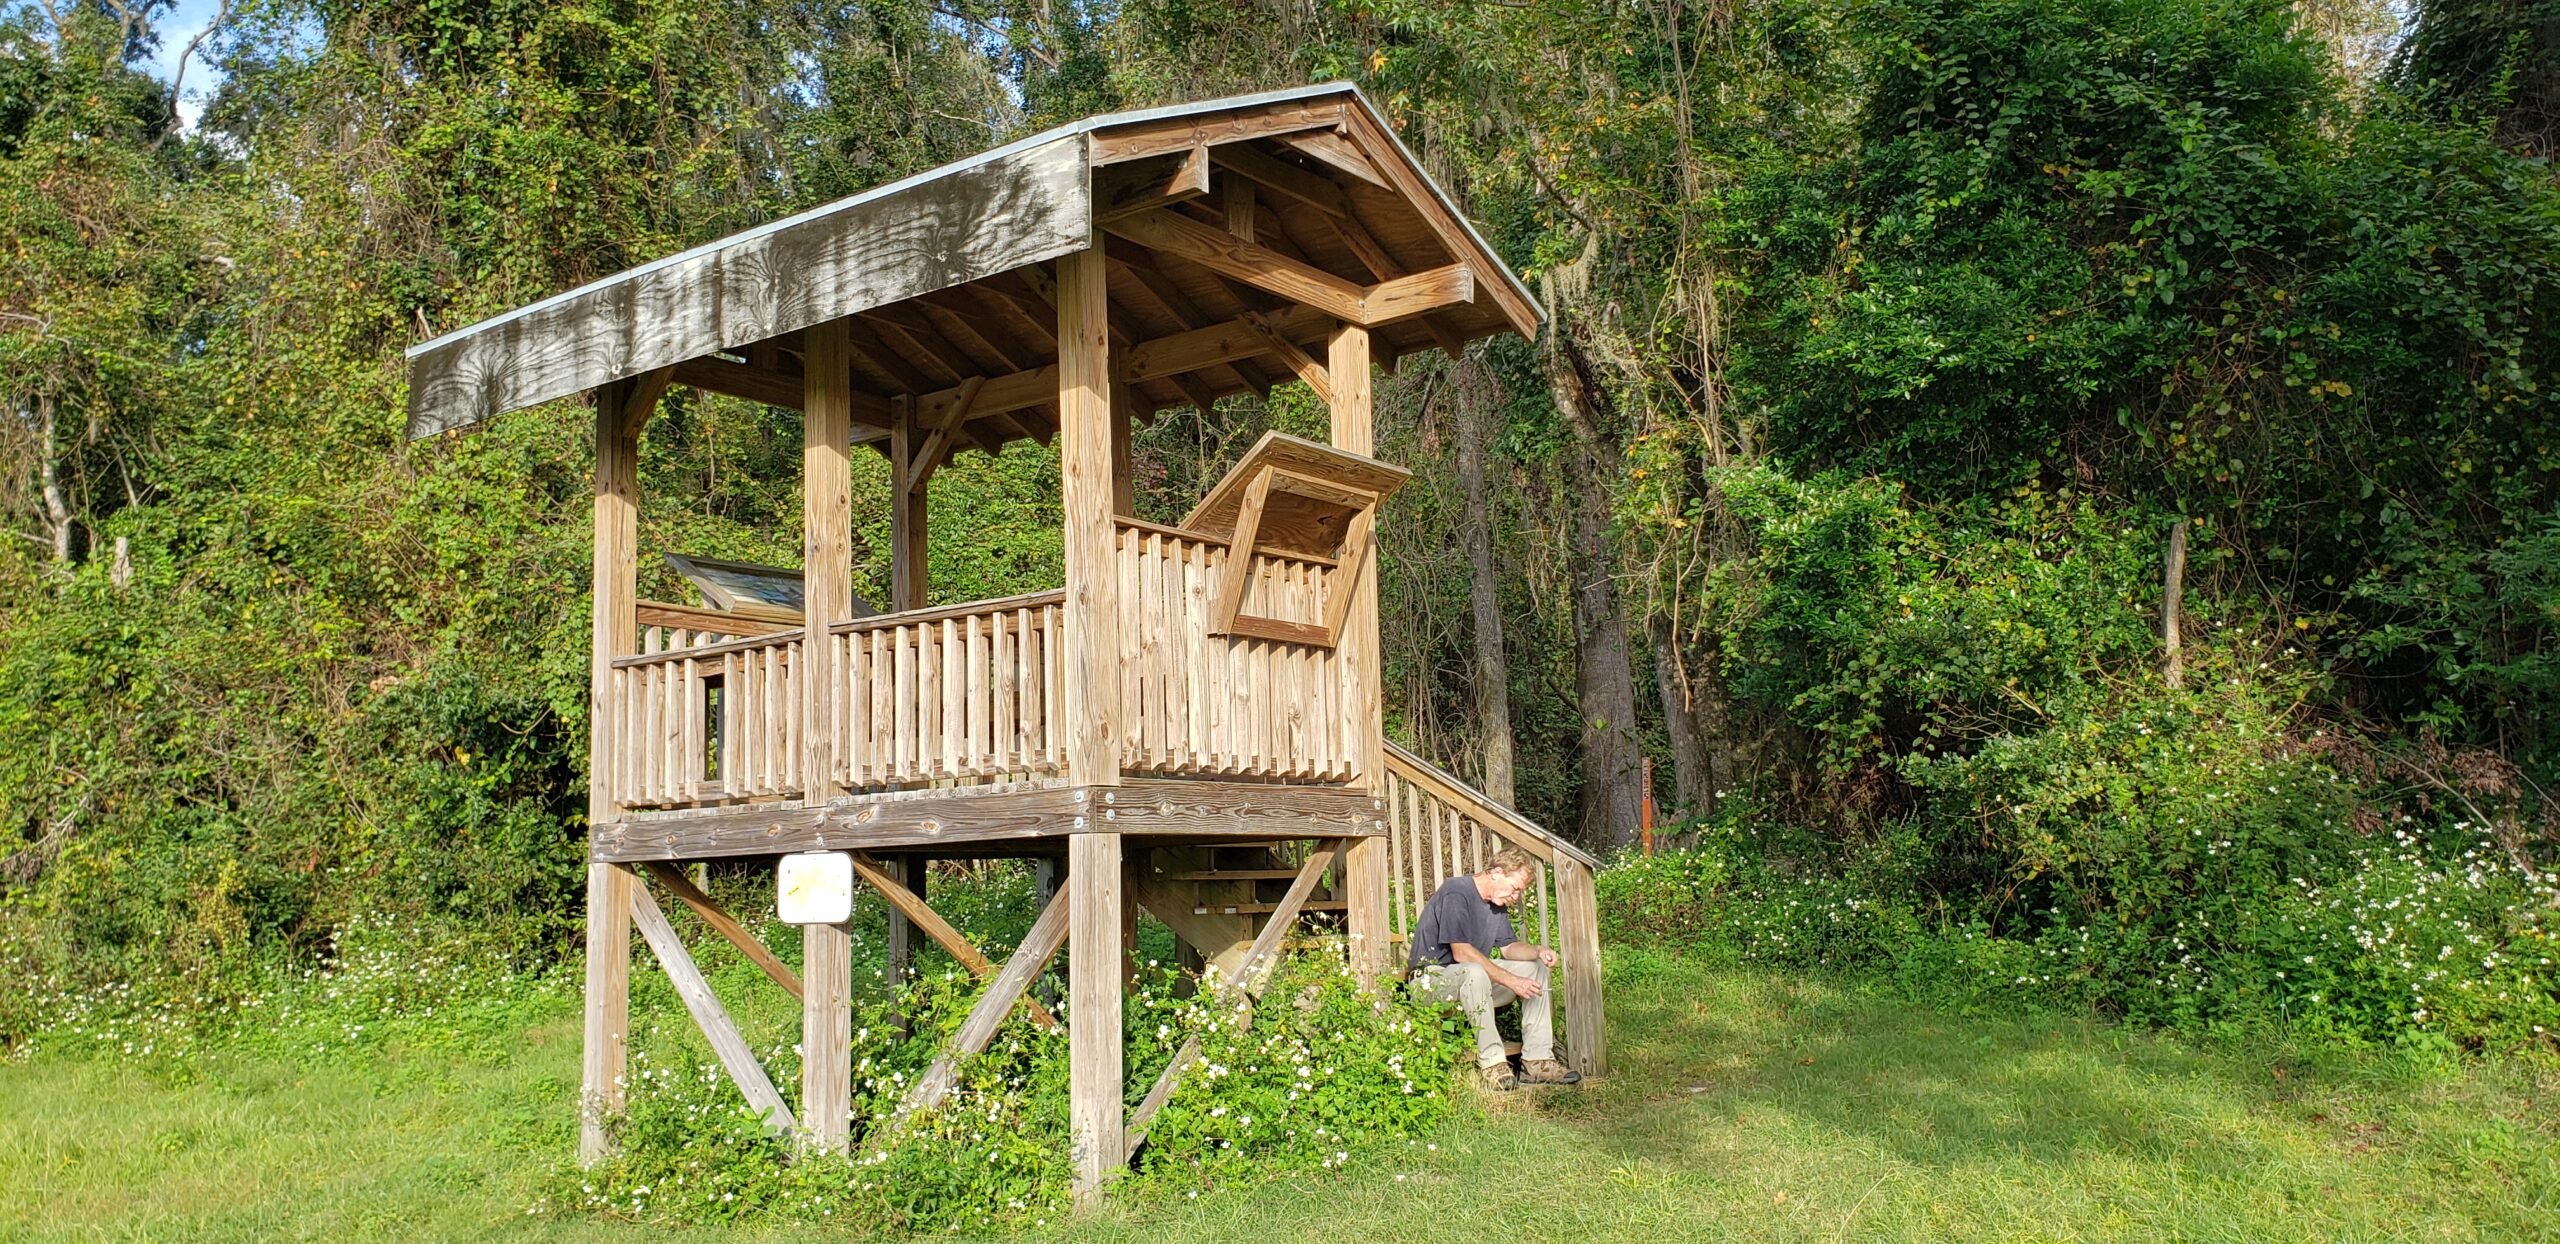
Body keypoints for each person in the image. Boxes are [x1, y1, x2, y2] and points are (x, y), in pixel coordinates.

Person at [1407, 847, 1581, 1090]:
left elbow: (1508, 948)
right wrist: (1511, 980)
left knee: (1535, 969)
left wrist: (1538, 951)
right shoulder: (1456, 891)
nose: (1516, 897)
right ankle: (1493, 1064)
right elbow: (1461, 952)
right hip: (1430, 983)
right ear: (1497, 873)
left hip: (1470, 983)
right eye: (1515, 888)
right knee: (1474, 971)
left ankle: (1537, 1061)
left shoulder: (1496, 904)